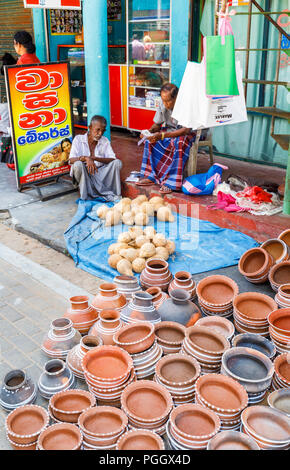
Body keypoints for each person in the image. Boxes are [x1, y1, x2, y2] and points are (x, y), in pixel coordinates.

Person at [138, 83, 207, 194]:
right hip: (171, 130)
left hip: (192, 132)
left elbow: (186, 130)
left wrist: (163, 135)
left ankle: (172, 182)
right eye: (163, 101)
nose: (165, 104)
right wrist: (148, 132)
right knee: (150, 141)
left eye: (168, 101)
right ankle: (151, 176)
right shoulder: (163, 104)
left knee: (179, 142)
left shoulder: (186, 105)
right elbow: (157, 125)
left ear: (176, 97)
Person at [68, 115, 122, 201]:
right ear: (90, 127)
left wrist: (94, 158)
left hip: (99, 174)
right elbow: (71, 160)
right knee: (78, 164)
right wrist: (86, 158)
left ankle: (116, 195)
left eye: (102, 131)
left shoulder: (104, 141)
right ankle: (85, 196)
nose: (100, 133)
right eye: (97, 130)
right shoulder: (78, 139)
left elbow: (112, 159)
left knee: (117, 163)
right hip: (84, 173)